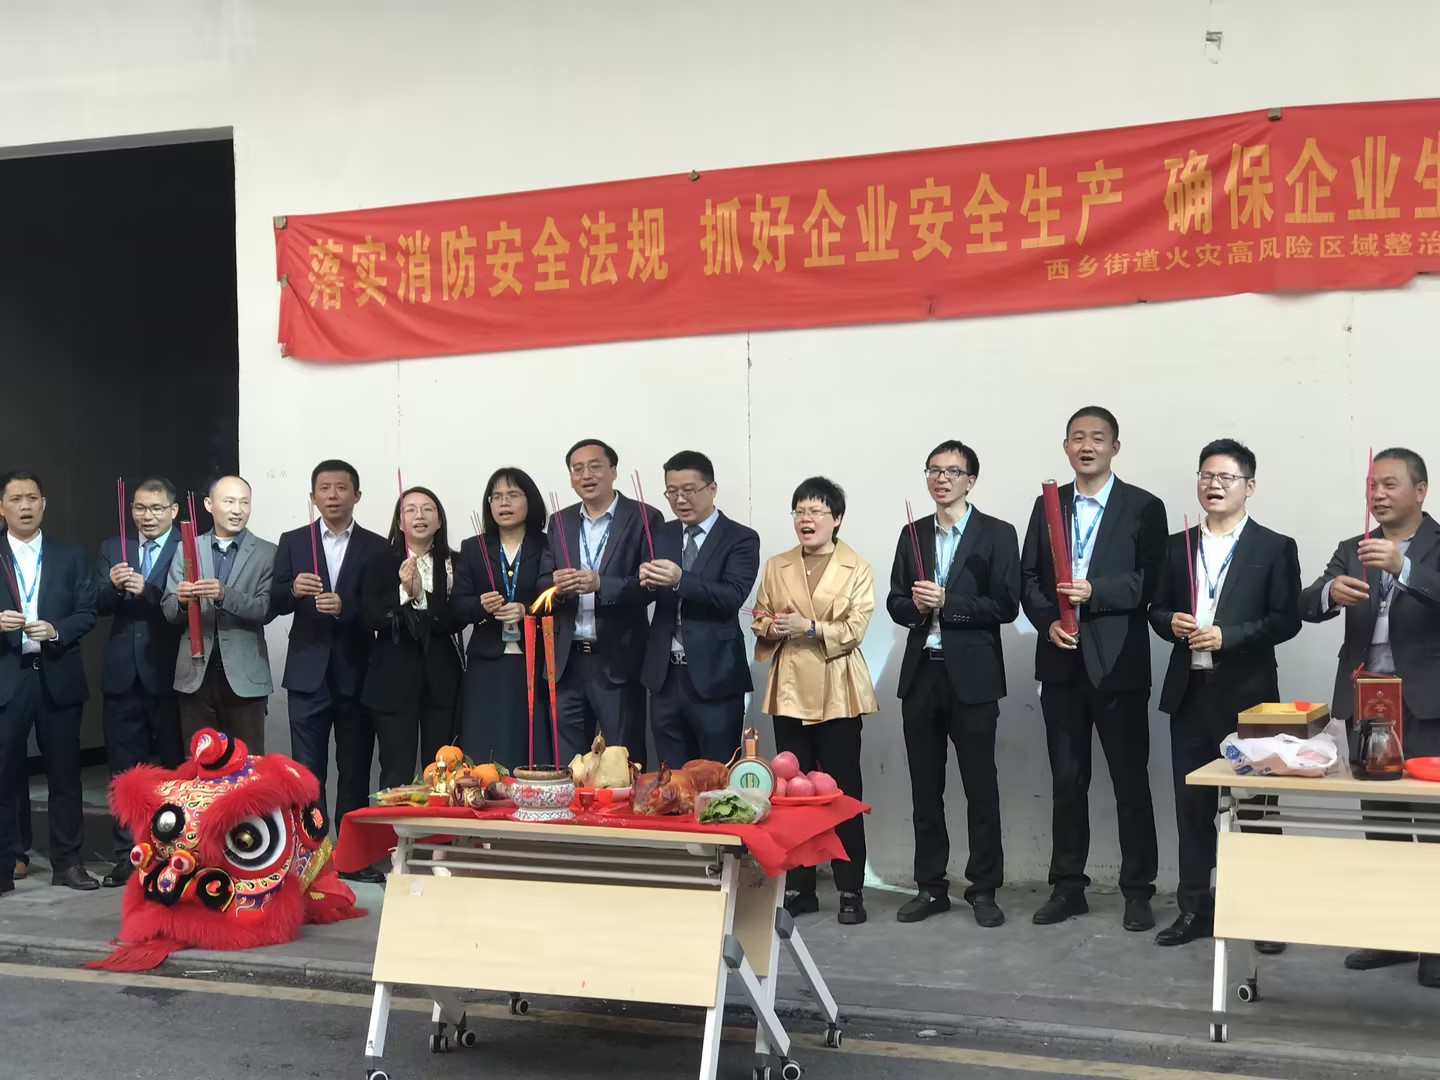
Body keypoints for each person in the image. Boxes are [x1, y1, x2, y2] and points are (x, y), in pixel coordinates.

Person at [1147, 440, 1300, 948]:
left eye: (1225, 477)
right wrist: (1169, 620)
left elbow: (1285, 620)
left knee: (1256, 809)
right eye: (1206, 475)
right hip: (1189, 692)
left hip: (1249, 699)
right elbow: (1155, 608)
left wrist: (1229, 635)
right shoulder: (1175, 546)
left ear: (1248, 486)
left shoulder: (1274, 547)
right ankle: (1195, 910)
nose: (1213, 485)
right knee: (1191, 807)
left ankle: (1265, 914)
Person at [1300, 446, 1440, 989]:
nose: (1377, 495)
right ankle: (1392, 933)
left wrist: (1405, 568)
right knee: (1381, 823)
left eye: (1389, 485)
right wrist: (1329, 594)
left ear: (1420, 491)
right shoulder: (1350, 548)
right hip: (1367, 701)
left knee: (1431, 826)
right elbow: (1304, 604)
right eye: (1371, 487)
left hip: (1424, 701)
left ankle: (1434, 939)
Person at [1020, 406, 1165, 931]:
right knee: (1066, 780)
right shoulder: (1048, 505)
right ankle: (1067, 888)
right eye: (1078, 437)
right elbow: (1029, 577)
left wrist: (1094, 592)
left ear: (1114, 448)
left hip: (1118, 664)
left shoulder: (1144, 507)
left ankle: (1138, 890)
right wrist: (1046, 623)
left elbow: (1152, 581)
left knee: (1130, 782)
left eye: (1098, 438)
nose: (1087, 445)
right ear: (1066, 447)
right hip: (1061, 663)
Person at [887, 440, 1019, 928]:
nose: (941, 479)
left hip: (975, 677)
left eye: (952, 471)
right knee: (926, 788)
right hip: (923, 674)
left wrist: (949, 601)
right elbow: (896, 602)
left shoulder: (997, 534)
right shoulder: (912, 533)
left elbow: (1006, 605)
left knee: (980, 787)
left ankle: (984, 889)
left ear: (971, 480)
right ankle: (930, 886)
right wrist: (917, 606)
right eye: (933, 471)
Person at [752, 477, 877, 926]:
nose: (806, 519)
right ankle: (801, 886)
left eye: (817, 511)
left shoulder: (856, 566)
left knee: (841, 792)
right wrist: (771, 626)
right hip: (788, 689)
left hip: (837, 688)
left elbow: (855, 629)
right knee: (791, 792)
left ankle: (850, 889)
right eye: (800, 511)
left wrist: (808, 628)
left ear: (836, 519)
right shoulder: (777, 563)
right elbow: (761, 617)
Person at [268, 460, 386, 872]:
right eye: (324, 488)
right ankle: (308, 855)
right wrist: (292, 591)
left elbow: (381, 610)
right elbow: (272, 601)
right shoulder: (293, 541)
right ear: (313, 496)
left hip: (357, 671)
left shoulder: (376, 546)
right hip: (307, 673)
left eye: (341, 488)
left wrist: (346, 608)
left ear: (357, 495)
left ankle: (353, 857)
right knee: (306, 772)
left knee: (354, 767)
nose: (333, 495)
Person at [0, 470, 99, 894]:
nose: (25, 506)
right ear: (1, 507)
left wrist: (55, 630)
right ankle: (9, 859)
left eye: (32, 498)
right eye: (16, 499)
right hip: (8, 676)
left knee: (64, 773)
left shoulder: (70, 555)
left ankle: (67, 861)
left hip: (56, 672)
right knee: (5, 772)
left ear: (44, 505)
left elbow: (88, 611)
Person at [539, 439, 662, 765]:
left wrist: (601, 584)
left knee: (621, 763)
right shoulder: (560, 521)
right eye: (577, 469)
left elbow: (652, 585)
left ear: (613, 471)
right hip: (567, 664)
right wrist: (558, 586)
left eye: (595, 466)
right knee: (569, 765)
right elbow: (540, 584)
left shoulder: (644, 517)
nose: (586, 475)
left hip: (618, 661)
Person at [640, 451, 760, 767]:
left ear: (712, 488)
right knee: (673, 780)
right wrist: (645, 585)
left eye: (689, 490)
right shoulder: (660, 534)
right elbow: (640, 594)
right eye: (672, 491)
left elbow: (732, 595)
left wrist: (681, 579)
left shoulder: (740, 538)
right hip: (664, 678)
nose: (680, 499)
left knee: (716, 778)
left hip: (715, 679)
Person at [94, 474, 184, 888]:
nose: (146, 516)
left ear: (173, 511)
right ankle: (126, 855)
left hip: (166, 674)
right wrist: (112, 588)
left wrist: (146, 589)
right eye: (139, 508)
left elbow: (178, 610)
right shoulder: (115, 548)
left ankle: (172, 851)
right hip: (121, 675)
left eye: (155, 508)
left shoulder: (186, 548)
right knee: (124, 772)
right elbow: (95, 603)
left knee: (169, 769)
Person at [162, 475, 276, 751]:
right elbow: (168, 609)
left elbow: (266, 609)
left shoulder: (267, 552)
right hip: (195, 674)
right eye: (229, 502)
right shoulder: (187, 548)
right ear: (209, 504)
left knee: (247, 768)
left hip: (245, 677)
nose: (238, 510)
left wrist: (225, 595)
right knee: (200, 766)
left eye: (244, 503)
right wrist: (181, 601)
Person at [361, 486, 464, 791]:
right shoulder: (378, 560)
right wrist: (404, 592)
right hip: (392, 679)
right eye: (410, 510)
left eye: (428, 509)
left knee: (444, 771)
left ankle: (443, 838)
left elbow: (457, 617)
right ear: (399, 521)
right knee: (396, 770)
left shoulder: (456, 562)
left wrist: (422, 595)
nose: (419, 516)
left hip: (442, 679)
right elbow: (370, 615)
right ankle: (391, 839)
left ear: (439, 520)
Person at [453, 467, 550, 768]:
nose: (504, 503)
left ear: (530, 501)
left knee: (529, 742)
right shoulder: (473, 547)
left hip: (534, 661)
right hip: (487, 661)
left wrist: (526, 610)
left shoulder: (548, 544)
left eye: (513, 495)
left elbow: (556, 596)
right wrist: (480, 606)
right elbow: (457, 606)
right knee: (485, 744)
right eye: (496, 497)